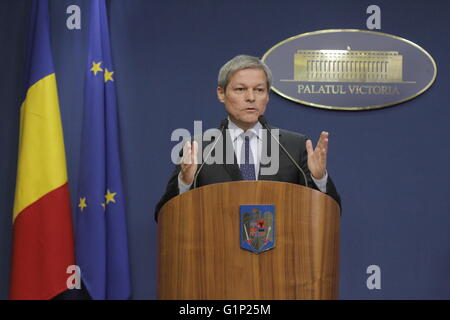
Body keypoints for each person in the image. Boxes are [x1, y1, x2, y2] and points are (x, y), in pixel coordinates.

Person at [155, 55, 340, 221]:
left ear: (267, 96)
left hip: (282, 255)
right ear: (221, 93)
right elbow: (165, 214)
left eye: (259, 90)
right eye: (241, 89)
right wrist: (185, 182)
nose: (251, 97)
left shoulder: (294, 147)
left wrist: (319, 179)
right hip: (217, 254)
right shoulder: (198, 148)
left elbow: (329, 210)